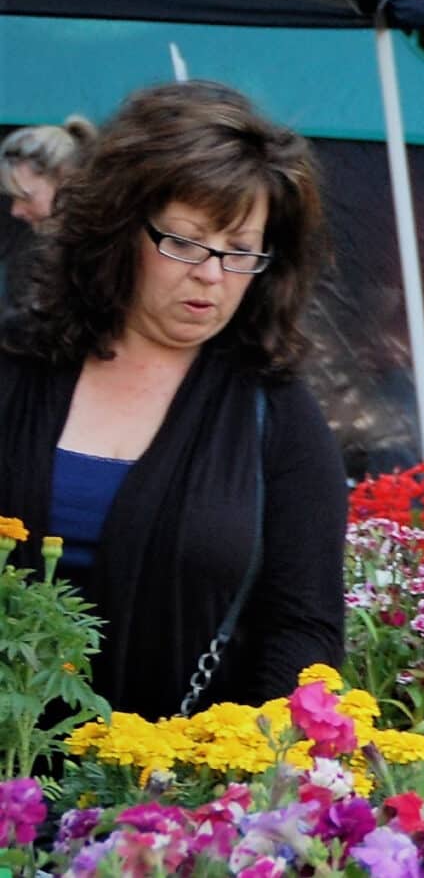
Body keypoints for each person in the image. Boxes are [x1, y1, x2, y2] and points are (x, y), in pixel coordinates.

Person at [0, 82, 345, 717]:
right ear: (120, 227)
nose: (211, 275)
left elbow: (305, 628)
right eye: (185, 243)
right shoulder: (16, 368)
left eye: (240, 252)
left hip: (173, 798)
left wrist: (244, 778)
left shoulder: (278, 414)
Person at [0, 116, 97, 302]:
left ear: (65, 180)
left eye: (25, 197)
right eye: (13, 198)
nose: (15, 210)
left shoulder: (102, 257)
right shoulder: (29, 252)